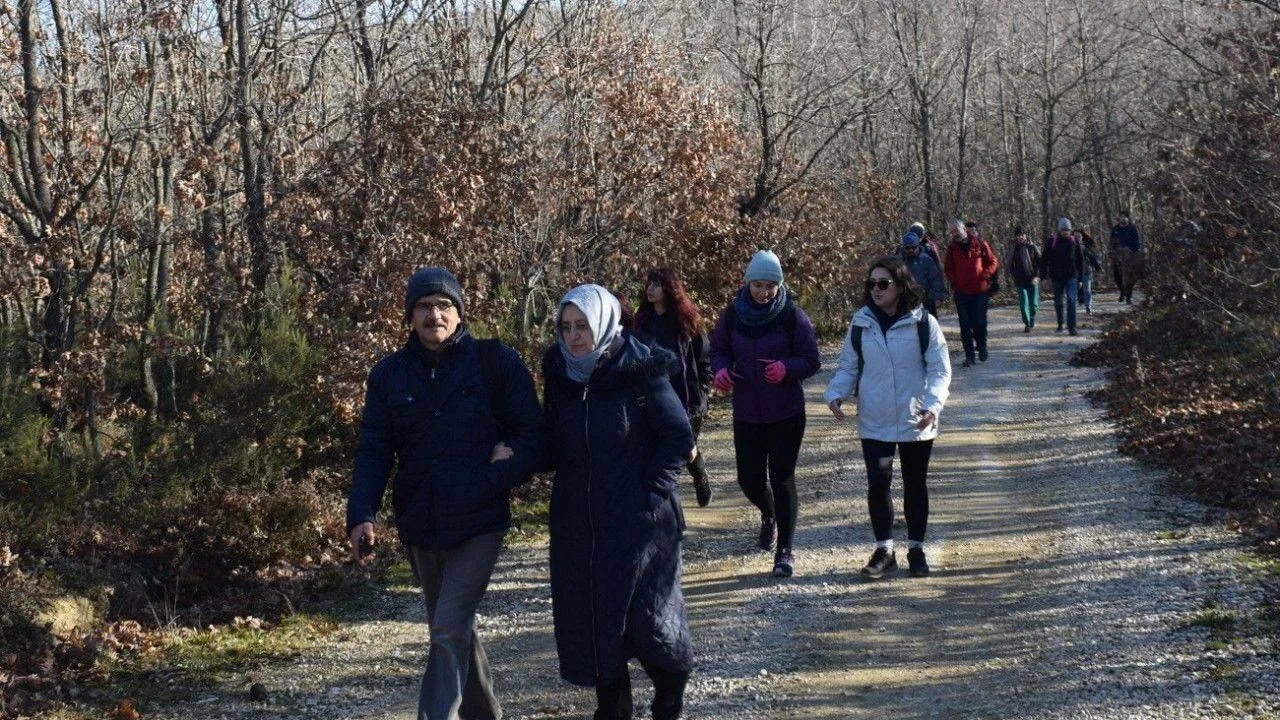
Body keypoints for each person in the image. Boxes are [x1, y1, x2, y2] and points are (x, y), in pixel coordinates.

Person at [347, 267, 543, 720]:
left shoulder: (495, 362)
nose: (434, 315)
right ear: (410, 315)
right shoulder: (388, 376)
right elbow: (374, 451)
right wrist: (362, 513)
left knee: (448, 627)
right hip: (422, 523)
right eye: (424, 306)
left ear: (459, 313)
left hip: (480, 519)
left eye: (444, 306)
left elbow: (534, 436)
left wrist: (501, 470)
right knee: (450, 629)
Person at [541, 284, 694, 720]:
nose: (574, 336)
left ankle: (669, 695)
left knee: (651, 625)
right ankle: (612, 710)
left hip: (642, 527)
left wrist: (650, 495)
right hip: (581, 526)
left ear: (604, 323)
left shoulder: (640, 367)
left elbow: (677, 435)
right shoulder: (560, 374)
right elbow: (552, 443)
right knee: (598, 627)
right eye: (566, 327)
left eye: (582, 326)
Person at [824, 256, 952, 579]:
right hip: (875, 417)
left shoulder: (923, 322)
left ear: (900, 285)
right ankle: (884, 550)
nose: (876, 289)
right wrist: (835, 393)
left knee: (914, 483)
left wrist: (932, 406)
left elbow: (940, 370)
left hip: (915, 417)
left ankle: (916, 549)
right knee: (878, 481)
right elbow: (849, 367)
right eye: (872, 284)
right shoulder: (861, 323)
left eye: (883, 283)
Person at [709, 249, 821, 578]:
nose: (764, 292)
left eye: (770, 285)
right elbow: (718, 349)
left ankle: (785, 550)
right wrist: (721, 371)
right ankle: (768, 514)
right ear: (747, 283)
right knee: (749, 480)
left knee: (782, 478)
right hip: (746, 411)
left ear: (779, 285)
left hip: (786, 412)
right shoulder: (733, 314)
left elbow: (812, 359)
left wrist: (786, 368)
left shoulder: (792, 316)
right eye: (758, 285)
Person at [633, 268, 715, 507]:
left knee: (684, 446)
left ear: (669, 289)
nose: (650, 289)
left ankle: (699, 476)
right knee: (666, 447)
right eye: (649, 284)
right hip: (656, 397)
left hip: (687, 397)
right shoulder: (643, 322)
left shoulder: (686, 320)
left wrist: (703, 389)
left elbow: (704, 358)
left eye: (657, 284)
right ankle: (667, 499)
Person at [942, 218, 999, 366]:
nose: (954, 233)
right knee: (965, 325)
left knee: (979, 321)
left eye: (956, 230)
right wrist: (955, 281)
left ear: (964, 229)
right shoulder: (951, 248)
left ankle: (982, 345)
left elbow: (993, 261)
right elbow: (948, 269)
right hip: (961, 292)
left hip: (980, 290)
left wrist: (985, 274)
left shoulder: (979, 243)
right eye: (951, 231)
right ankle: (969, 356)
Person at [1040, 217, 1086, 335]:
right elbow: (1044, 260)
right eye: (1063, 230)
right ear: (1059, 230)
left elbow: (1080, 261)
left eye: (1067, 230)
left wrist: (1080, 279)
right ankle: (1060, 324)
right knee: (1058, 302)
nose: (1066, 232)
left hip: (1072, 276)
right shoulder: (1052, 242)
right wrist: (1044, 277)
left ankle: (1072, 327)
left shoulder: (1074, 241)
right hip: (1057, 277)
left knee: (1071, 300)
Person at [898, 231, 947, 318]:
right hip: (907, 300)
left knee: (929, 323)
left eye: (913, 247)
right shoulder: (899, 261)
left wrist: (938, 297)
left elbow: (936, 279)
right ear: (904, 248)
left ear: (918, 246)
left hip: (927, 300)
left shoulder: (927, 259)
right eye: (907, 248)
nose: (910, 250)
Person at [1005, 225, 1042, 332]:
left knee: (1034, 305)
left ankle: (1032, 318)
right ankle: (1027, 323)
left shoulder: (1032, 247)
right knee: (1023, 303)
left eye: (1022, 235)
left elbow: (1040, 262)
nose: (1020, 237)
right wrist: (1014, 274)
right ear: (1015, 237)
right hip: (1020, 281)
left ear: (1025, 235)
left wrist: (1037, 276)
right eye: (1018, 235)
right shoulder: (1014, 249)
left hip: (1033, 280)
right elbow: (1010, 264)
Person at [1109, 211, 1143, 300]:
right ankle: (1122, 291)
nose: (1122, 219)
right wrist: (1112, 252)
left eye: (1124, 217)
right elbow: (1111, 242)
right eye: (1121, 217)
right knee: (1117, 276)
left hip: (1130, 255)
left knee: (1130, 277)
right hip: (1118, 256)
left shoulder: (1132, 228)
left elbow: (1137, 242)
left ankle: (1128, 296)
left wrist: (1135, 252)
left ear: (1128, 218)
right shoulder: (1115, 229)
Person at [1078, 229, 1103, 314]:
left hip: (1086, 271)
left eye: (1079, 236)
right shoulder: (1070, 246)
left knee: (1087, 289)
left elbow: (1093, 257)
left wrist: (1097, 266)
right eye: (1075, 236)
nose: (1077, 238)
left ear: (1082, 238)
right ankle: (1079, 301)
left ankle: (1088, 306)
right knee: (1075, 289)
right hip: (1074, 272)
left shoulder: (1086, 247)